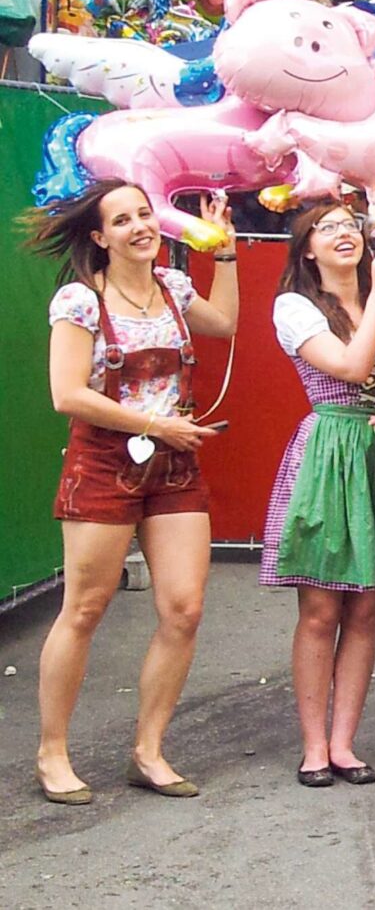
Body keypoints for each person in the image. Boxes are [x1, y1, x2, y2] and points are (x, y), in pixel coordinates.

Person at [31, 181, 238, 804]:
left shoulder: (173, 287)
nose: (140, 227)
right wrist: (155, 424)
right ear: (100, 237)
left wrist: (226, 253)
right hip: (103, 462)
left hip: (173, 466)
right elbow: (67, 393)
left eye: (145, 214)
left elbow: (225, 324)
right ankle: (52, 753)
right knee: (85, 608)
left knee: (184, 608)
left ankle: (148, 750)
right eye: (122, 220)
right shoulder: (81, 300)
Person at [261, 201, 375, 788]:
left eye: (350, 225)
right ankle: (313, 745)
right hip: (331, 453)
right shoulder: (295, 306)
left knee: (365, 609)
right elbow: (352, 367)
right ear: (307, 249)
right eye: (327, 227)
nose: (343, 234)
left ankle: (343, 742)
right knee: (320, 610)